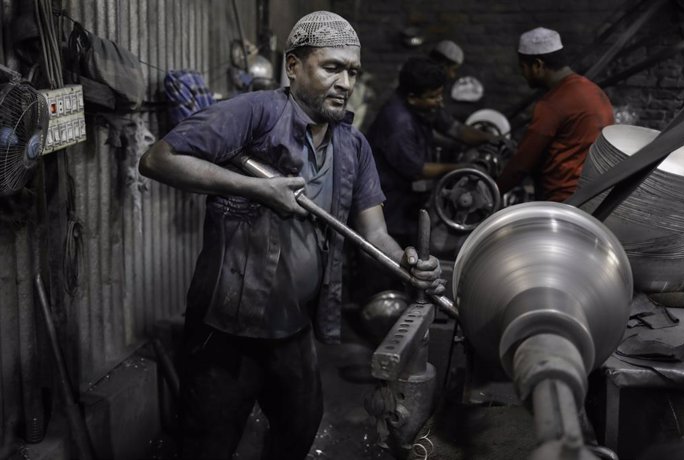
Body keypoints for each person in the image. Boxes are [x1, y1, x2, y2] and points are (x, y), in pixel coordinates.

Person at [138, 10, 444, 460]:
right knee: (208, 441)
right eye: (332, 67)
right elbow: (158, 159)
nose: (345, 82)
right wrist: (254, 188)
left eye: (352, 72)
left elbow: (375, 233)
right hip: (227, 325)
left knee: (299, 427)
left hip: (293, 326)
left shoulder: (352, 145)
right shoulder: (253, 113)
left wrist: (408, 265)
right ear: (294, 66)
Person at [367, 56, 495, 249]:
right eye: (434, 96)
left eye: (440, 94)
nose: (440, 102)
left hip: (411, 201)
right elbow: (419, 170)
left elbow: (455, 129)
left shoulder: (426, 106)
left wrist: (491, 138)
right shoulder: (398, 123)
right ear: (412, 97)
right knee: (391, 257)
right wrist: (464, 168)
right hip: (391, 205)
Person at [496, 27, 614, 202]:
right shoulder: (594, 90)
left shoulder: (552, 104)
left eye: (523, 67)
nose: (522, 74)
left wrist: (492, 192)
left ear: (538, 65)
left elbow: (520, 167)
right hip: (596, 195)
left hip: (563, 202)